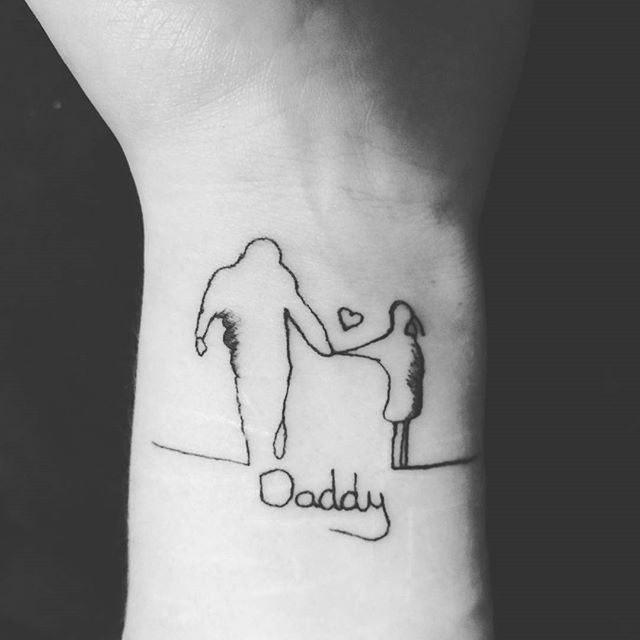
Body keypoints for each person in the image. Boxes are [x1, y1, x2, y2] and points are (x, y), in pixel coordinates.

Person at [21, 1, 531, 638]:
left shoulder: (252, 276)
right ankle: (272, 437)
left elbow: (242, 313)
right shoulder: (268, 276)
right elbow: (281, 318)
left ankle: (268, 439)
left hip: (241, 367)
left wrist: (270, 163)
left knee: (260, 400)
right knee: (269, 399)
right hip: (263, 362)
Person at [194, 237, 332, 465]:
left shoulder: (229, 278)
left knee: (252, 402)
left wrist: (200, 337)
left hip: (250, 359)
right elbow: (304, 316)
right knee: (271, 402)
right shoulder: (278, 278)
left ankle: (260, 452)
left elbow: (206, 311)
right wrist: (322, 345)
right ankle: (269, 443)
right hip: (272, 359)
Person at [342, 301, 425, 469]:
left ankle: (397, 463)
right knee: (403, 429)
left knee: (399, 429)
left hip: (401, 395)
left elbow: (365, 349)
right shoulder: (412, 343)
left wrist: (342, 351)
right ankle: (399, 462)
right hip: (411, 395)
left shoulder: (391, 343)